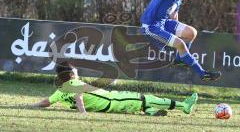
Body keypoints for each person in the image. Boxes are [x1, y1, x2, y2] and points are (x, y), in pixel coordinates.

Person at [31, 62, 198, 116]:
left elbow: (47, 101)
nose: (77, 71)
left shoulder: (60, 90)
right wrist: (83, 113)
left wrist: (32, 106)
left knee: (142, 102)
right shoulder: (75, 85)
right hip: (114, 101)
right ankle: (184, 106)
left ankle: (151, 112)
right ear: (71, 73)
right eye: (75, 70)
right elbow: (79, 97)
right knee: (146, 97)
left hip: (110, 103)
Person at [140, 0, 221, 81]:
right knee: (180, 44)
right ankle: (202, 74)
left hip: (163, 23)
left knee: (192, 33)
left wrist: (177, 28)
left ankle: (180, 59)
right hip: (150, 26)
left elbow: (174, 16)